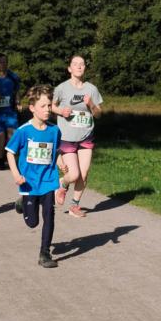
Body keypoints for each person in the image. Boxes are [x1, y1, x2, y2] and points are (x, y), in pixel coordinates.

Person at [6, 84, 62, 268]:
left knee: (49, 214)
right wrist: (16, 175)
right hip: (29, 183)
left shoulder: (54, 130)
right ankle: (22, 203)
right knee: (32, 223)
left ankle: (44, 253)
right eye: (43, 106)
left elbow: (56, 151)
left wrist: (61, 162)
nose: (47, 110)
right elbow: (10, 153)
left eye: (49, 106)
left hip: (48, 180)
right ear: (32, 108)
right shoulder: (23, 131)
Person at [52, 55, 103, 218]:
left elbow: (99, 114)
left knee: (84, 173)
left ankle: (74, 205)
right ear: (70, 69)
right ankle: (63, 183)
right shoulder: (62, 88)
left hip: (86, 136)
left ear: (85, 68)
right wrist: (61, 111)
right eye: (75, 64)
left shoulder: (91, 89)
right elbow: (51, 106)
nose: (79, 66)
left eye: (82, 64)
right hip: (67, 137)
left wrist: (91, 104)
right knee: (73, 174)